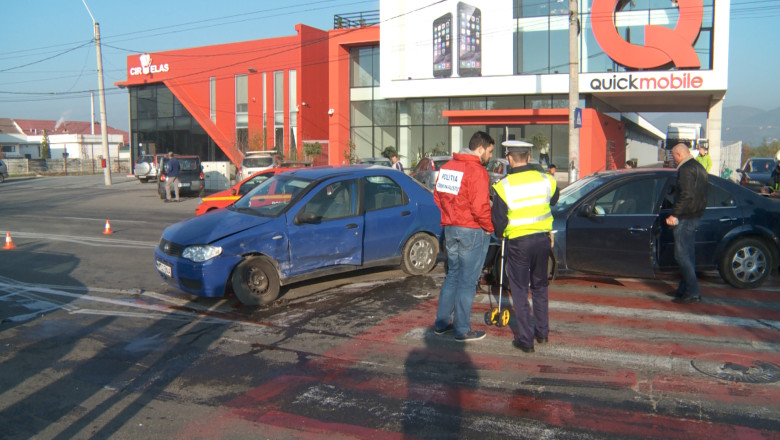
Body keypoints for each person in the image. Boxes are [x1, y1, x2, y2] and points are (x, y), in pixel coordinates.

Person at [491, 145, 559, 353]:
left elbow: (499, 222)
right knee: (540, 287)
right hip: (542, 241)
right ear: (529, 157)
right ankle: (542, 333)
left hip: (519, 244)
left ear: (509, 159)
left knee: (520, 290)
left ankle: (526, 340)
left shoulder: (503, 187)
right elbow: (554, 200)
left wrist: (503, 234)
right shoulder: (547, 180)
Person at [432, 131, 495, 342]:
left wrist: (450, 216)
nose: (490, 156)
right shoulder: (477, 171)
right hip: (471, 230)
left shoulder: (447, 167)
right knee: (468, 281)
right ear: (480, 149)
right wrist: (489, 227)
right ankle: (462, 329)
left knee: (453, 275)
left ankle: (441, 324)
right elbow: (480, 207)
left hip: (450, 228)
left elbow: (437, 196)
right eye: (490, 151)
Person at [665, 143, 708, 304]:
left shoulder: (685, 169)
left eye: (673, 157)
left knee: (681, 255)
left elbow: (687, 194)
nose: (674, 160)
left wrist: (674, 214)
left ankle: (692, 292)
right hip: (695, 215)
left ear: (678, 155)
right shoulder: (699, 167)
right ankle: (684, 289)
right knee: (688, 255)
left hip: (686, 216)